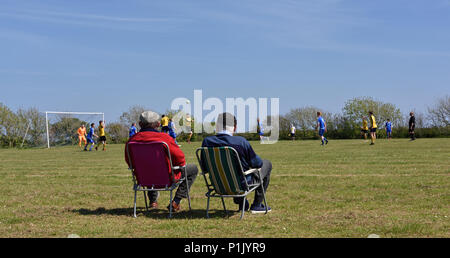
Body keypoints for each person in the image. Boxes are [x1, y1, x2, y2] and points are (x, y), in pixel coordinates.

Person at [125, 111, 198, 212]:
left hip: (143, 179)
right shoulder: (164, 138)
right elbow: (180, 159)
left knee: (148, 168)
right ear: (158, 124)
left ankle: (153, 201)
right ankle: (176, 201)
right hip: (167, 178)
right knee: (193, 169)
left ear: (140, 124)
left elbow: (130, 162)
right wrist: (178, 167)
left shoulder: (131, 141)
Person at [202, 112, 272, 214]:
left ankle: (241, 202)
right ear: (234, 127)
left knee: (232, 174)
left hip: (218, 184)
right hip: (241, 184)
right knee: (267, 164)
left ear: (217, 126)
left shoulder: (207, 142)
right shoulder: (241, 142)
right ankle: (256, 205)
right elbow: (257, 163)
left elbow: (205, 167)